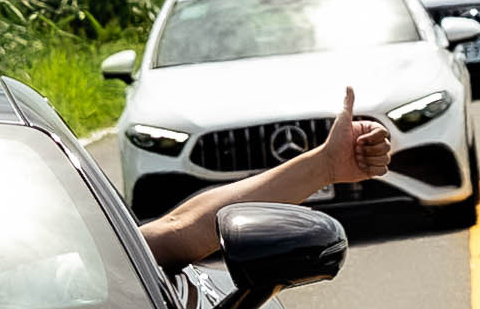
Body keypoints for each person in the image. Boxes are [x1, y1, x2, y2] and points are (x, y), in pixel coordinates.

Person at [138, 102, 389, 269]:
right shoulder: (119, 264)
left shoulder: (121, 259)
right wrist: (324, 167)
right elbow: (177, 232)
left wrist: (325, 166)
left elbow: (177, 231)